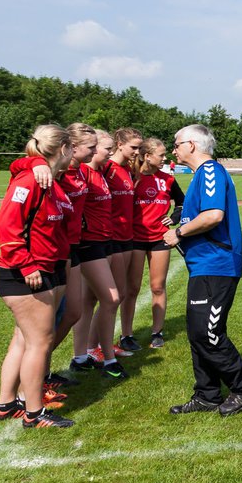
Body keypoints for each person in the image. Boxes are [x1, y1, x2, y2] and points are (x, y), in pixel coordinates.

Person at [163, 125, 242, 416]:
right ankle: (207, 394)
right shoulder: (199, 176)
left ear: (192, 145)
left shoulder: (210, 172)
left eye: (177, 143)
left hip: (217, 265)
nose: (174, 149)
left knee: (208, 332)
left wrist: (179, 233)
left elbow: (213, 216)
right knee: (196, 332)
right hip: (203, 265)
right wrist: (179, 218)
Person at [0, 125, 75, 428]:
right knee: (40, 342)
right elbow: (7, 227)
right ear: (63, 148)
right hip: (24, 274)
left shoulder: (48, 179)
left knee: (24, 341)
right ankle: (34, 413)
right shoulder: (31, 179)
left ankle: (6, 404)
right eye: (72, 148)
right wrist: (26, 265)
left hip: (42, 270)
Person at [69, 131, 126, 379]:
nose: (109, 153)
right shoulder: (83, 172)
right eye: (105, 149)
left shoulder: (101, 173)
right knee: (111, 299)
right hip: (89, 243)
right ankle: (108, 359)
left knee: (88, 302)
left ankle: (81, 357)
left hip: (104, 241)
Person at [132, 137, 184, 349]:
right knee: (131, 289)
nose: (165, 158)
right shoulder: (132, 177)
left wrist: (174, 218)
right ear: (147, 156)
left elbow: (182, 202)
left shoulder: (168, 179)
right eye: (161, 155)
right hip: (134, 239)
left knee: (157, 287)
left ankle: (157, 332)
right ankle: (126, 334)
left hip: (160, 239)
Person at [105, 127, 144, 355]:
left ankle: (108, 343)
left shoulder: (128, 170)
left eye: (139, 147)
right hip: (110, 239)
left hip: (127, 237)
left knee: (120, 294)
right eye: (133, 147)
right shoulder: (107, 168)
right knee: (109, 297)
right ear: (119, 144)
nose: (137, 152)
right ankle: (97, 347)